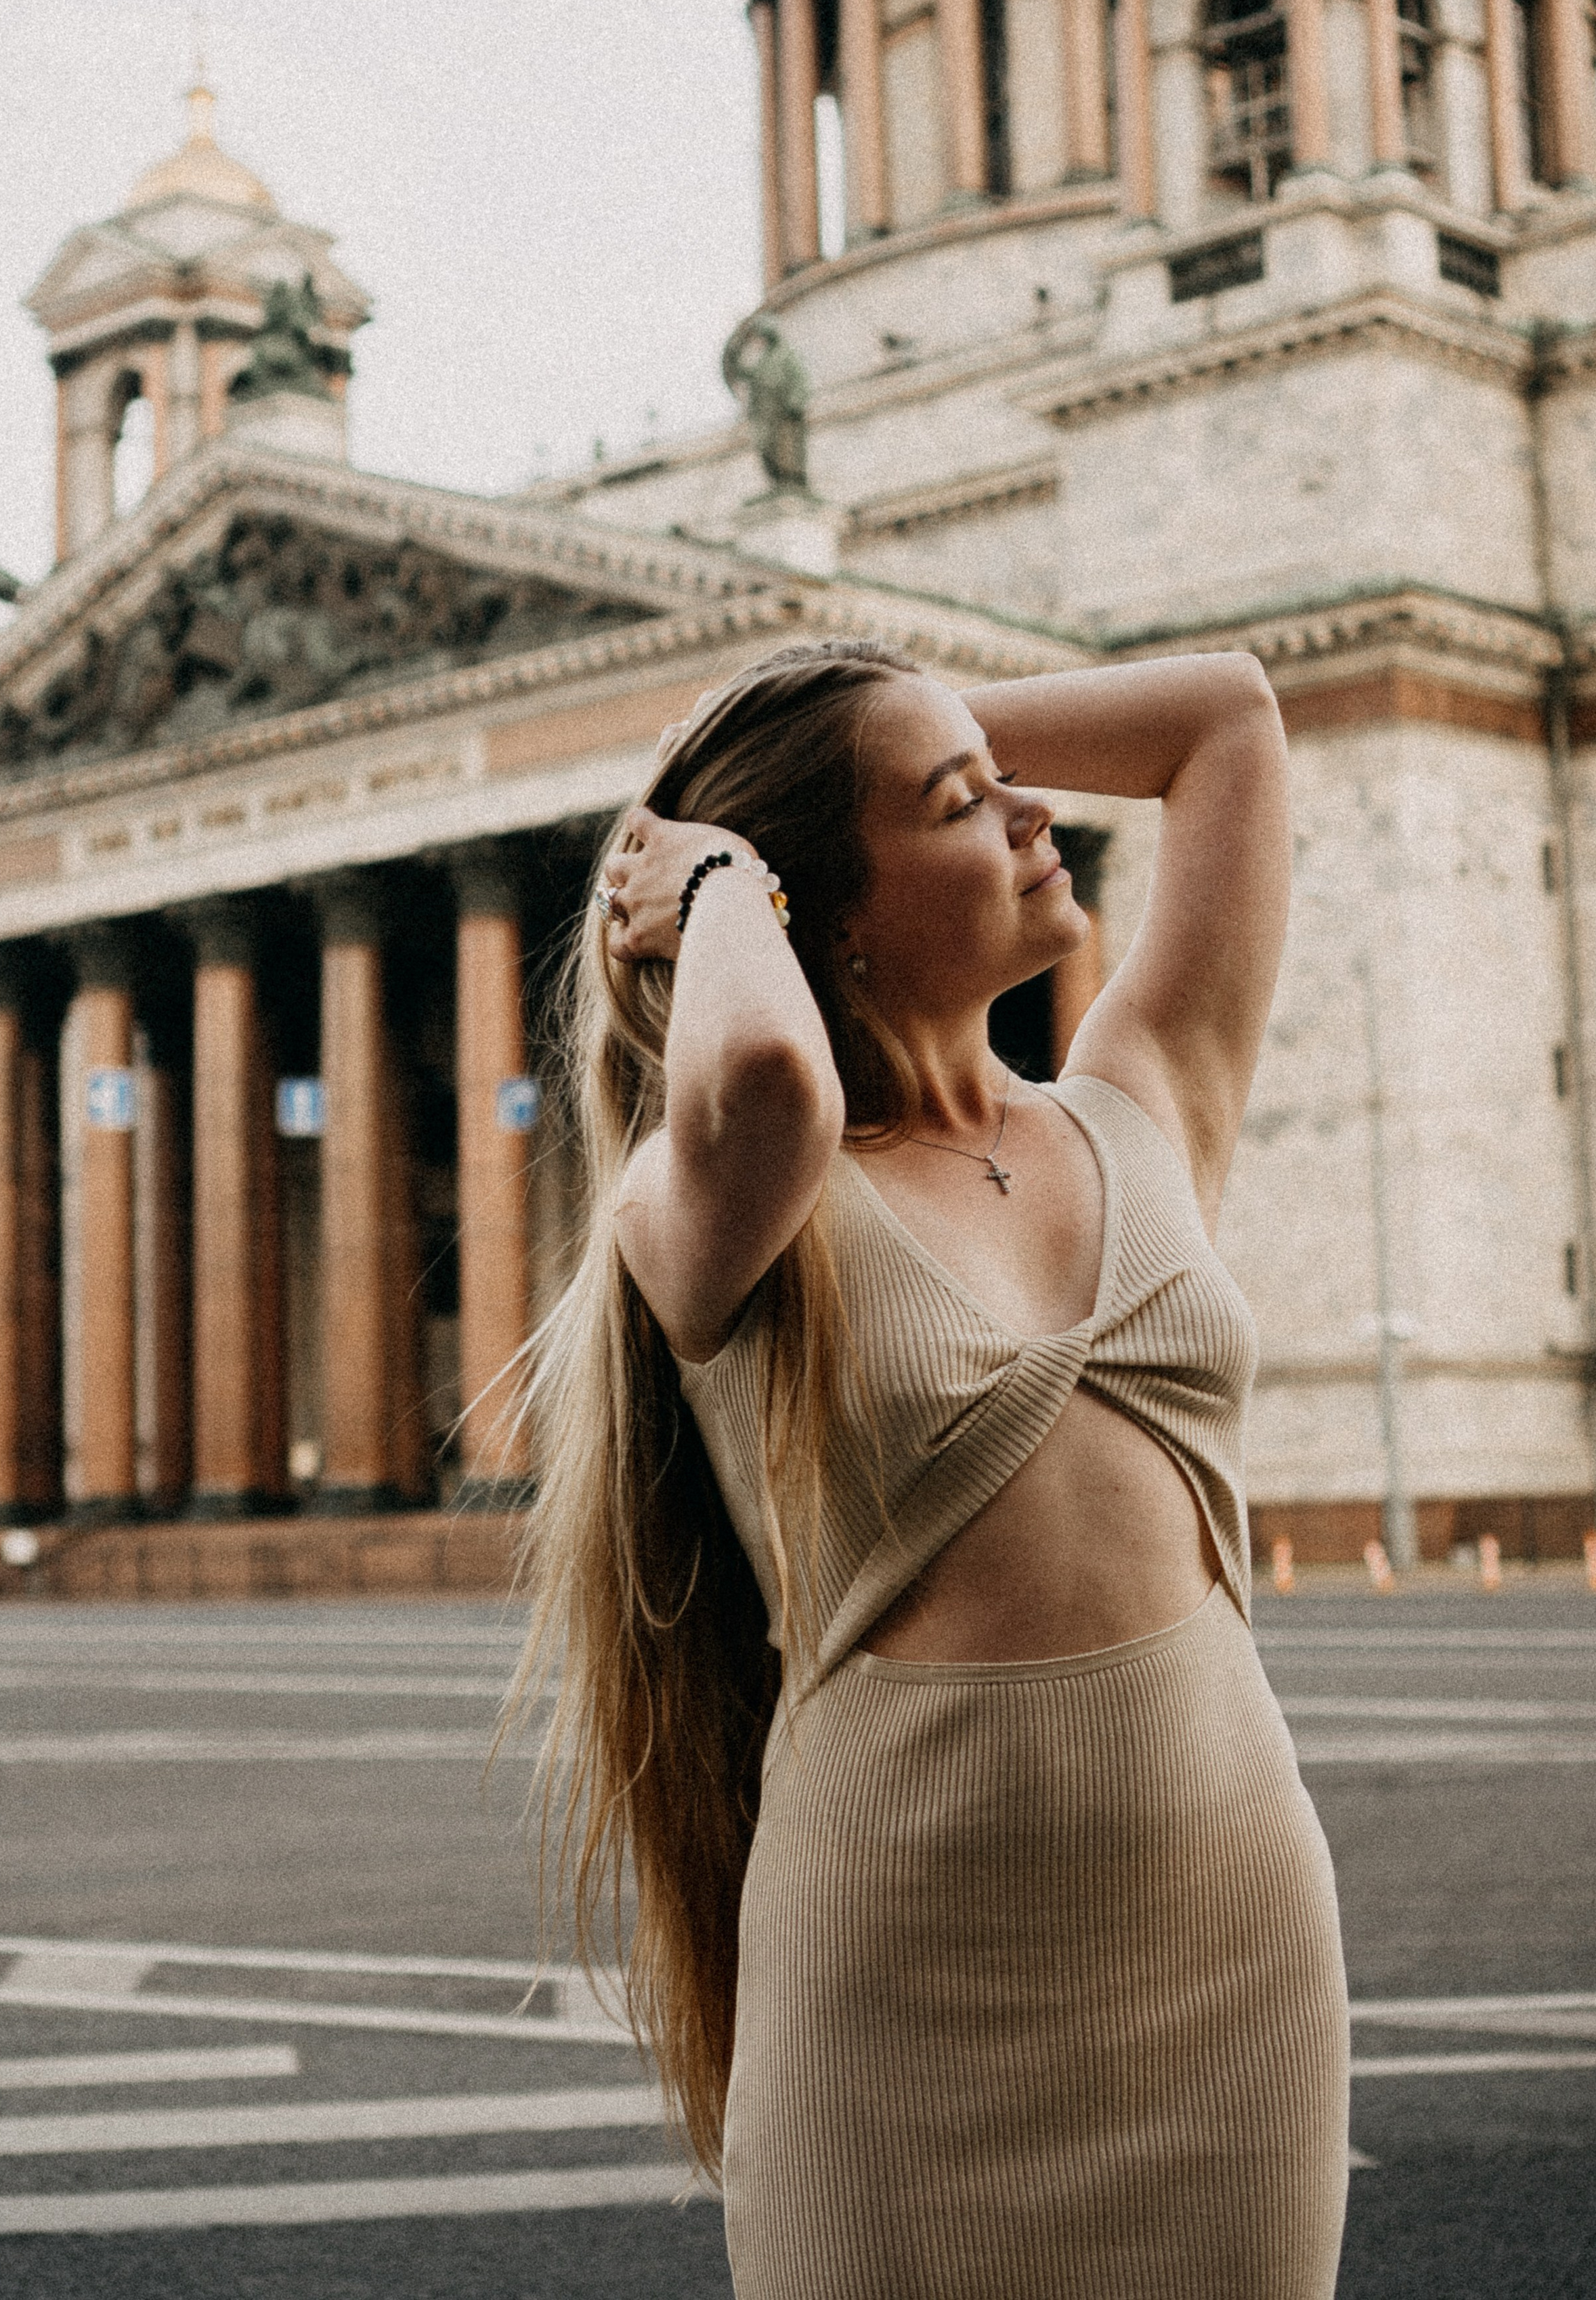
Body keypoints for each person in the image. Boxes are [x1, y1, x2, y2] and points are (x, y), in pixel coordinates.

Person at [510, 636, 1350, 2300]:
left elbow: (1227, 719)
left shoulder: (1141, 1101)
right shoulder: (724, 1199)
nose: (1034, 812)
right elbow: (763, 1072)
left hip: (1229, 1949)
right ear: (825, 917)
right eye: (962, 805)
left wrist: (896, 728)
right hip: (903, 1991)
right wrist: (722, 864)